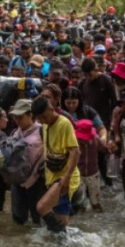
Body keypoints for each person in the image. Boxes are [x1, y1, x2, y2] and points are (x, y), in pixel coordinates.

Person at [31, 96, 81, 233]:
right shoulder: (45, 126)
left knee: (41, 207)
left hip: (64, 177)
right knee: (61, 225)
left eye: (43, 117)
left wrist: (67, 178)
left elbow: (76, 151)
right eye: (39, 119)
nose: (42, 121)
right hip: (53, 177)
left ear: (51, 109)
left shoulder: (64, 123)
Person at [7, 99, 46, 225]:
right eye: (15, 117)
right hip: (18, 179)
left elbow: (53, 150)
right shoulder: (15, 133)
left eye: (20, 117)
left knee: (38, 217)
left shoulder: (42, 131)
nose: (17, 120)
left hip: (37, 180)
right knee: (18, 218)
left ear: (30, 115)